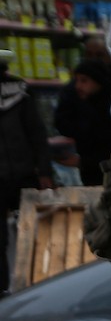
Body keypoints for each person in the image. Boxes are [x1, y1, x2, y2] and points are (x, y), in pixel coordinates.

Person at [0, 48, 54, 296]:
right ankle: (32, 284)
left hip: (23, 175)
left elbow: (37, 136)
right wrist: (43, 171)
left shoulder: (22, 94)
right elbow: (38, 135)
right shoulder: (21, 92)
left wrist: (44, 172)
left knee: (29, 232)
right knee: (30, 232)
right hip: (24, 173)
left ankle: (20, 286)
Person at [54, 58, 111, 185]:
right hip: (89, 173)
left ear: (98, 82)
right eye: (77, 80)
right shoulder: (77, 104)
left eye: (84, 80)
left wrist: (83, 162)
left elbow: (110, 148)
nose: (78, 86)